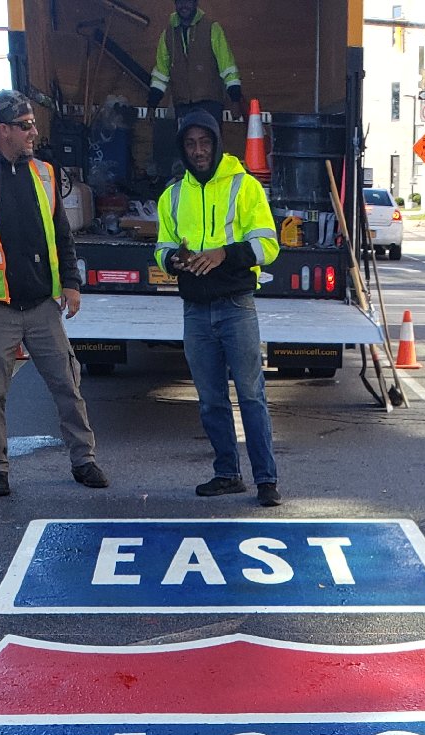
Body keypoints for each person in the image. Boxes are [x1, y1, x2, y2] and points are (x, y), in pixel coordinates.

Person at [0, 89, 108, 498]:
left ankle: (83, 460)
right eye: (25, 125)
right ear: (3, 130)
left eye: (32, 124)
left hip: (41, 306)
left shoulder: (45, 174)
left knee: (68, 386)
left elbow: (62, 236)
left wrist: (71, 282)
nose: (33, 132)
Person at [155, 111, 281, 505]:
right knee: (210, 399)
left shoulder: (244, 186)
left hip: (236, 306)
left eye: (205, 143)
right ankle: (227, 473)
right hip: (195, 310)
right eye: (191, 144)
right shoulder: (173, 195)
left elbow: (269, 246)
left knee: (250, 395)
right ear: (183, 148)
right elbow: (160, 247)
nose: (198, 151)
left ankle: (266, 481)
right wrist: (174, 259)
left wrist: (224, 253)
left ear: (216, 143)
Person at [147, 0, 242, 123]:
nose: (183, 6)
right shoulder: (167, 35)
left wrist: (235, 100)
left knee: (209, 141)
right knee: (186, 142)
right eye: (179, 2)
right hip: (182, 105)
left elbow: (227, 67)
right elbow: (161, 74)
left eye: (188, 1)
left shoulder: (212, 28)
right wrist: (152, 105)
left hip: (210, 103)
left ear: (196, 3)